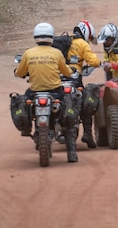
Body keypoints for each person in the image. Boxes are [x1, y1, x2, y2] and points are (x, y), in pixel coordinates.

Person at [14, 22, 81, 162]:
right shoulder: (56, 53)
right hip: (55, 92)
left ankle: (26, 128)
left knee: (23, 103)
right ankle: (72, 152)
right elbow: (66, 71)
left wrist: (18, 72)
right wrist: (72, 71)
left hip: (34, 92)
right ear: (51, 37)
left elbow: (20, 72)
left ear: (35, 37)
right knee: (68, 113)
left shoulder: (28, 53)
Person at [67, 20, 102, 148]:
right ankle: (88, 133)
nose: (89, 40)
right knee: (86, 102)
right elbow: (93, 61)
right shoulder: (82, 44)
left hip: (56, 77)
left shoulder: (63, 40)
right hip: (74, 78)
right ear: (87, 33)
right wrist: (99, 63)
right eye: (90, 37)